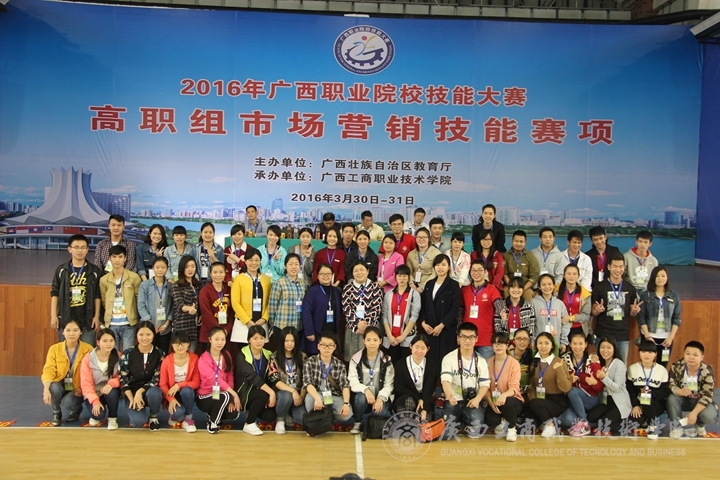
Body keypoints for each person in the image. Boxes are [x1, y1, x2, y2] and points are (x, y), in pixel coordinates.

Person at [50, 234, 103, 345]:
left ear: (87, 249)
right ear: (69, 249)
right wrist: (53, 315)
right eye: (76, 247)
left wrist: (97, 316)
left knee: (87, 352)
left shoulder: (94, 271)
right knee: (66, 352)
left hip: (87, 321)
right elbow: (55, 293)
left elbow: (97, 295)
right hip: (66, 320)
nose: (80, 250)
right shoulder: (61, 270)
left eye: (83, 247)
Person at [441, 322, 490, 438]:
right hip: (454, 400)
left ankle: (465, 423)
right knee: (446, 434)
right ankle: (457, 424)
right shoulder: (449, 358)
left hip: (472, 401)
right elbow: (445, 380)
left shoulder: (481, 361)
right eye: (464, 337)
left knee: (476, 430)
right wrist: (449, 395)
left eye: (471, 337)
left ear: (476, 339)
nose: (467, 340)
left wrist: (478, 399)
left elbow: (485, 384)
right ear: (458, 338)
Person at [41, 319, 94, 426]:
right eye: (68, 330)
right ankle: (56, 413)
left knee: (68, 403)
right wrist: (46, 390)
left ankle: (76, 409)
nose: (71, 333)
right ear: (63, 332)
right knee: (53, 387)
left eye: (75, 330)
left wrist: (82, 387)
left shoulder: (88, 349)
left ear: (81, 332)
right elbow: (48, 370)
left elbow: (92, 372)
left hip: (78, 387)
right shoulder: (54, 349)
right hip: (61, 383)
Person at [591, 253, 641, 364]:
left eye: (621, 266)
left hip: (622, 335)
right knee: (601, 366)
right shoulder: (599, 287)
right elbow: (593, 312)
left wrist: (634, 311)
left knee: (621, 366)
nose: (618, 270)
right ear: (609, 267)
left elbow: (632, 311)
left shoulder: (630, 288)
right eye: (615, 266)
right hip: (603, 333)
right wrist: (597, 310)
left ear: (624, 268)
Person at [118, 321, 165, 431]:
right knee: (138, 422)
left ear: (153, 335)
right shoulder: (127, 353)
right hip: (132, 392)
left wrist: (140, 391)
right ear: (136, 335)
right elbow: (123, 379)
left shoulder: (160, 354)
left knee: (155, 392)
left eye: (148, 334)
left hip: (150, 390)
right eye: (141, 334)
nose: (144, 338)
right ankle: (137, 412)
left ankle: (153, 417)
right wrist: (132, 398)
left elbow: (157, 378)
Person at [348, 327, 394, 434]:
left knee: (379, 412)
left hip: (379, 397)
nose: (372, 343)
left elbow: (389, 384)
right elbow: (353, 382)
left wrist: (380, 398)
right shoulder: (355, 359)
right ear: (363, 341)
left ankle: (370, 421)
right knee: (360, 399)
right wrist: (366, 390)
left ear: (380, 341)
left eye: (375, 340)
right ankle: (357, 421)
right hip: (363, 396)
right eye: (368, 340)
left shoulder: (387, 361)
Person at [667, 341, 718, 439]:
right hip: (682, 399)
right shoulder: (676, 366)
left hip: (699, 401)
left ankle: (699, 425)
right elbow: (670, 384)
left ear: (702, 357)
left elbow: (707, 395)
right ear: (684, 354)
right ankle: (677, 428)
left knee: (710, 414)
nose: (691, 357)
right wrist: (679, 391)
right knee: (671, 398)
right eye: (688, 354)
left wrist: (694, 413)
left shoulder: (707, 371)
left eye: (695, 355)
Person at [420, 255, 461, 372]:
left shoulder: (454, 285)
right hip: (429, 329)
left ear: (449, 267)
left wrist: (442, 325)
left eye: (443, 265)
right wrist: (423, 323)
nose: (440, 267)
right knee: (430, 363)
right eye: (437, 265)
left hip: (446, 330)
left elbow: (455, 308)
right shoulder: (429, 284)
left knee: (446, 362)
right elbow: (423, 306)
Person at [235, 325, 279, 435]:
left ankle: (253, 410)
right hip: (245, 391)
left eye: (262, 338)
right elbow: (252, 376)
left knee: (270, 416)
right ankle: (249, 423)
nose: (259, 341)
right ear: (249, 340)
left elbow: (272, 375)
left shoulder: (268, 354)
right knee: (262, 395)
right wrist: (270, 392)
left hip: (261, 391)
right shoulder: (242, 354)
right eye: (255, 338)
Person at [526, 332, 572, 438]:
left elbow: (566, 388)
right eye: (540, 343)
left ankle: (550, 425)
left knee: (535, 404)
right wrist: (532, 399)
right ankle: (544, 421)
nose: (543, 346)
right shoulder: (534, 362)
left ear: (552, 345)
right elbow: (531, 384)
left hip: (557, 401)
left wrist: (559, 370)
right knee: (529, 420)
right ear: (536, 345)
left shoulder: (559, 362)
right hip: (539, 400)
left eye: (547, 343)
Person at [196, 327, 241, 434]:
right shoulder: (203, 359)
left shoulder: (227, 355)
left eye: (222, 339)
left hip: (223, 394)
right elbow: (216, 380)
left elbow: (230, 376)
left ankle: (212, 414)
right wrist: (233, 394)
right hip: (205, 396)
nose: (220, 342)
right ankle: (213, 423)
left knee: (234, 413)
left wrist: (230, 399)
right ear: (210, 339)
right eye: (216, 339)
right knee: (225, 395)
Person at [303, 331, 353, 424]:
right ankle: (319, 420)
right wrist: (317, 398)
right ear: (318, 346)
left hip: (332, 395)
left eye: (330, 345)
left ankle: (326, 418)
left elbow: (345, 385)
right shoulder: (309, 362)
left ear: (334, 347)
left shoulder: (339, 364)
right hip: (317, 393)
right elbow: (307, 383)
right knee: (311, 399)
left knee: (347, 415)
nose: (327, 348)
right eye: (323, 345)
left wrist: (346, 403)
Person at [99, 245, 142, 353]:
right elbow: (103, 301)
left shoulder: (134, 277)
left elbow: (138, 299)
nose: (117, 260)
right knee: (113, 356)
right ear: (109, 258)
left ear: (125, 258)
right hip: (111, 324)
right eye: (114, 257)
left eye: (120, 257)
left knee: (128, 355)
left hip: (128, 324)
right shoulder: (104, 280)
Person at [560, 331, 603, 437]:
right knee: (567, 419)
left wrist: (594, 383)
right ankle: (589, 423)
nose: (577, 347)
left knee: (572, 391)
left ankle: (584, 423)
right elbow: (561, 385)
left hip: (591, 399)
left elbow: (600, 388)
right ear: (570, 344)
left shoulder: (593, 361)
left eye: (580, 344)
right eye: (574, 343)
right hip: (574, 402)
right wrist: (568, 380)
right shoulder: (564, 360)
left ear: (586, 345)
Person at [586, 335, 632, 434]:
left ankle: (622, 421)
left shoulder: (619, 364)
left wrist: (604, 378)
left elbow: (617, 388)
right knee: (591, 417)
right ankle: (614, 423)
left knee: (603, 425)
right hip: (607, 402)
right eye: (602, 347)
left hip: (619, 403)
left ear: (614, 349)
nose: (605, 350)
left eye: (609, 348)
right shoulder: (601, 363)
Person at [637, 265, 681, 367]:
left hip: (666, 339)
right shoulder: (646, 295)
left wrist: (671, 337)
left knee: (662, 367)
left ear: (667, 277)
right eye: (657, 276)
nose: (660, 278)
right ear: (653, 278)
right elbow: (641, 317)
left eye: (663, 276)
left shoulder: (674, 295)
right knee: (647, 366)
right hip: (649, 337)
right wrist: (647, 336)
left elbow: (676, 318)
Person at [484, 332, 524, 442]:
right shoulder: (487, 363)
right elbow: (485, 386)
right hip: (494, 400)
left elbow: (514, 388)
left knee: (508, 402)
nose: (498, 346)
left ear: (507, 345)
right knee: (490, 420)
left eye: (501, 343)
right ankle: (503, 420)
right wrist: (490, 402)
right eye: (495, 343)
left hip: (512, 400)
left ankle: (512, 428)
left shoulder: (514, 363)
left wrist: (504, 396)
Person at [626, 340, 669, 439]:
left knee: (646, 400)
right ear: (639, 353)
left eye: (650, 352)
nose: (646, 355)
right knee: (634, 421)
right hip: (638, 403)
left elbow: (665, 392)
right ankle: (645, 422)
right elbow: (630, 390)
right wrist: (635, 405)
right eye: (643, 351)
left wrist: (650, 393)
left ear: (655, 354)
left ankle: (653, 426)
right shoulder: (632, 369)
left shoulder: (662, 370)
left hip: (656, 403)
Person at [461, 259, 504, 360]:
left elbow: (497, 301)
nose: (476, 273)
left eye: (480, 270)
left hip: (486, 340)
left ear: (485, 272)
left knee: (485, 367)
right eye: (473, 270)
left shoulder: (492, 289)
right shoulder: (464, 290)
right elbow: (460, 312)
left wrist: (501, 311)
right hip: (467, 339)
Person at [159, 331, 200, 433]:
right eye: (177, 343)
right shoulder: (167, 361)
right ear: (172, 345)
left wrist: (178, 385)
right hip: (171, 393)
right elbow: (162, 384)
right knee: (178, 413)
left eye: (183, 343)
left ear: (188, 343)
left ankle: (188, 419)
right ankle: (175, 415)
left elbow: (196, 382)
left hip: (187, 392)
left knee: (187, 390)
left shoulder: (194, 358)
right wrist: (171, 399)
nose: (180, 346)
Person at [343, 261, 384, 361]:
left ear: (367, 271)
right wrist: (357, 324)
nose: (359, 273)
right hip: (353, 329)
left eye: (362, 270)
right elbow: (346, 308)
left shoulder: (375, 287)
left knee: (370, 360)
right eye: (356, 270)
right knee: (354, 360)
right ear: (352, 273)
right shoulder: (347, 288)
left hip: (371, 328)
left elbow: (376, 308)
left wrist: (364, 325)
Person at [80, 328, 121, 430]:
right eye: (105, 341)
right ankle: (97, 413)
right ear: (98, 342)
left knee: (113, 393)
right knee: (98, 415)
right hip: (94, 393)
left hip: (109, 390)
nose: (108, 344)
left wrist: (111, 384)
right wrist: (95, 401)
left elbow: (121, 376)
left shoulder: (119, 356)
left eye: (111, 341)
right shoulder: (88, 358)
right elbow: (86, 384)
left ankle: (112, 417)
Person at [230, 248, 271, 347]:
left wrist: (264, 319)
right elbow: (235, 302)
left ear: (260, 261)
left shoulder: (266, 279)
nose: (254, 263)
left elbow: (270, 302)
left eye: (257, 260)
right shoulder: (238, 279)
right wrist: (247, 321)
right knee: (243, 354)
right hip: (243, 325)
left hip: (261, 324)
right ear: (245, 261)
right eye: (251, 260)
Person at [270, 326, 308, 434]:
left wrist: (301, 396)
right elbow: (275, 380)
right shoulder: (274, 357)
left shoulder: (303, 357)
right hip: (282, 393)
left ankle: (288, 413)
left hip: (298, 394)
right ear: (282, 341)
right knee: (286, 396)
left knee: (302, 419)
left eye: (292, 340)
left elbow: (306, 379)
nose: (289, 344)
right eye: (286, 340)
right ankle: (280, 420)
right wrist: (293, 391)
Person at [393, 334, 438, 421]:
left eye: (423, 348)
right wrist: (418, 399)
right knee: (408, 404)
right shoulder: (400, 364)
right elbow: (401, 388)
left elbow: (429, 389)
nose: (419, 351)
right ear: (411, 346)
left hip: (425, 400)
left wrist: (425, 408)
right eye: (416, 347)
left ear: (427, 349)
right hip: (405, 398)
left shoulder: (431, 366)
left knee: (424, 422)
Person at [382, 265, 421, 362]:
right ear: (395, 277)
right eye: (399, 276)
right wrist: (390, 336)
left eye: (404, 276)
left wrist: (403, 336)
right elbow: (384, 315)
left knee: (405, 364)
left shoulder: (414, 294)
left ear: (408, 277)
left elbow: (414, 316)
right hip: (391, 338)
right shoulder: (389, 294)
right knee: (391, 365)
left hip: (407, 337)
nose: (402, 278)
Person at [302, 264, 343, 354]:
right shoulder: (312, 291)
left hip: (332, 332)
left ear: (332, 275)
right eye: (322, 273)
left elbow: (340, 310)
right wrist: (309, 331)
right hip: (316, 332)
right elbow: (306, 311)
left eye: (328, 273)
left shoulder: (336, 291)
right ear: (318, 276)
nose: (325, 276)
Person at [137, 256, 173, 355]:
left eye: (163, 267)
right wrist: (150, 325)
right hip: (148, 328)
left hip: (165, 329)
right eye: (157, 267)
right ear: (153, 268)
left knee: (163, 355)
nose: (160, 270)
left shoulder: (171, 286)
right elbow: (141, 306)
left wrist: (166, 324)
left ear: (167, 268)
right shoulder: (145, 285)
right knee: (148, 355)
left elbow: (173, 307)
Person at [199, 262, 235, 355]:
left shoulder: (230, 289)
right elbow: (206, 313)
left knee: (224, 360)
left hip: (226, 334)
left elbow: (232, 312)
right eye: (215, 272)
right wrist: (219, 331)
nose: (218, 275)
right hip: (209, 334)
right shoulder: (205, 291)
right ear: (210, 274)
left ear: (225, 273)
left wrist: (226, 330)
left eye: (221, 272)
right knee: (208, 361)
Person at [269, 254, 308, 340]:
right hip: (282, 326)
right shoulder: (279, 283)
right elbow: (272, 306)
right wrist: (273, 324)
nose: (294, 267)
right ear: (285, 266)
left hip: (298, 327)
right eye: (290, 264)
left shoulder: (303, 284)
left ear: (300, 266)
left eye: (296, 264)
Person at [531, 274, 570, 355]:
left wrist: (563, 342)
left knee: (554, 362)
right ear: (539, 287)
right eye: (543, 284)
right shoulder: (534, 303)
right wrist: (532, 340)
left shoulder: (559, 304)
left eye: (549, 284)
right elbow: (531, 324)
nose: (547, 287)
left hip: (555, 343)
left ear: (554, 286)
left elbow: (565, 324)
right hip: (539, 344)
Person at [171, 256, 202, 352]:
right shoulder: (176, 285)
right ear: (182, 268)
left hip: (195, 326)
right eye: (187, 267)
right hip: (182, 325)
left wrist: (200, 314)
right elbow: (179, 305)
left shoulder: (198, 284)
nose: (190, 269)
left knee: (192, 354)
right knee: (182, 353)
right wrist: (189, 309)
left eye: (193, 266)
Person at [555, 264, 592, 342]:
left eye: (574, 274)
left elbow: (586, 315)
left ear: (578, 276)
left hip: (578, 328)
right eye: (569, 274)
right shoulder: (555, 291)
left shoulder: (585, 294)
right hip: (559, 327)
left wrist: (571, 318)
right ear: (564, 275)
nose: (571, 276)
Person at [495, 277, 536, 345]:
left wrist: (526, 343)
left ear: (523, 289)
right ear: (508, 289)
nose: (516, 290)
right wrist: (506, 344)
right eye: (513, 287)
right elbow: (497, 326)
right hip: (505, 345)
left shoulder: (528, 306)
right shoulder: (501, 305)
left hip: (523, 345)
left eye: (519, 287)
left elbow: (531, 326)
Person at [502, 230, 539, 302]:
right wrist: (512, 287)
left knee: (531, 300)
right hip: (509, 286)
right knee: (506, 295)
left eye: (521, 242)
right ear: (512, 241)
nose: (518, 244)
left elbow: (534, 276)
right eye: (516, 241)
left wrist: (522, 288)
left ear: (525, 242)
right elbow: (504, 274)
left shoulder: (530, 257)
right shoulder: (505, 256)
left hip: (525, 287)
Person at [585, 226, 621, 291]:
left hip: (612, 286)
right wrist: (598, 286)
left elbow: (619, 269)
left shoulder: (614, 251)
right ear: (591, 241)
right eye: (595, 239)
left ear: (605, 237)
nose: (599, 241)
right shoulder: (588, 255)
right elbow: (588, 275)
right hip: (594, 288)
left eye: (601, 238)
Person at [406, 227, 440, 292]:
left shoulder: (436, 253)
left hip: (430, 286)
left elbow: (435, 273)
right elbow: (408, 271)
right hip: (413, 286)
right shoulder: (411, 254)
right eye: (419, 237)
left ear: (429, 239)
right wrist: (411, 283)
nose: (421, 239)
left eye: (424, 237)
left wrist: (423, 286)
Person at [192, 222, 225, 286]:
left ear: (214, 234)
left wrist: (212, 256)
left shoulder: (219, 249)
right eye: (205, 232)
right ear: (201, 233)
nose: (208, 234)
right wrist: (195, 277)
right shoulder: (195, 248)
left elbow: (221, 268)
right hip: (197, 281)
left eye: (210, 232)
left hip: (214, 282)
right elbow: (191, 264)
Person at [508, 328, 534, 392]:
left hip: (527, 391)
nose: (522, 341)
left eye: (525, 339)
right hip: (510, 390)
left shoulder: (532, 354)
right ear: (514, 340)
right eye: (519, 339)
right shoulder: (507, 355)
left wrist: (553, 338)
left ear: (529, 341)